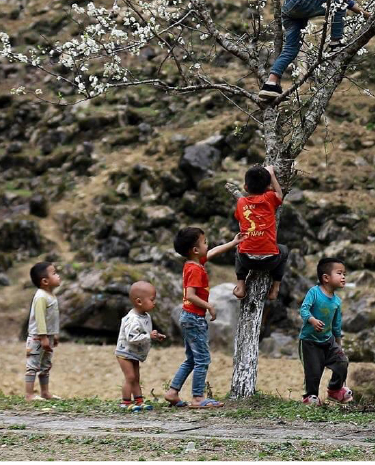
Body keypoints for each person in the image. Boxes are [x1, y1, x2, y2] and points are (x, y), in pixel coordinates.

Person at [258, 0, 364, 102]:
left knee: (291, 49)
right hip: (298, 0)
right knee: (338, 5)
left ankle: (270, 85)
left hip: (290, 9)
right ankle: (336, 43)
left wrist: (366, 13)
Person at [165, 226, 239, 408]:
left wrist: (233, 243)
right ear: (195, 250)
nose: (208, 245)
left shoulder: (193, 263)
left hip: (188, 318)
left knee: (191, 359)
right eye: (204, 242)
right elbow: (190, 295)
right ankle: (198, 397)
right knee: (202, 359)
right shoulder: (196, 270)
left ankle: (173, 392)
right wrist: (209, 306)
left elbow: (213, 252)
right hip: (194, 318)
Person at [298, 257, 353, 405]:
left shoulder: (336, 301)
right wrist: (312, 320)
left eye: (344, 274)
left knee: (342, 361)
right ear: (326, 278)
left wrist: (339, 345)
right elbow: (303, 309)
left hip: (328, 341)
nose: (343, 277)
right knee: (314, 372)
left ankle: (335, 390)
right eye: (339, 273)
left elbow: (336, 325)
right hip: (310, 341)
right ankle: (310, 397)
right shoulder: (314, 292)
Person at [232, 165, 287, 301]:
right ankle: (275, 287)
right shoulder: (269, 198)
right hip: (270, 261)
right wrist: (272, 174)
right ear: (268, 187)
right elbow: (280, 195)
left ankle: (240, 285)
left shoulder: (241, 202)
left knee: (238, 246)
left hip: (247, 261)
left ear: (245, 187)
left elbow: (238, 218)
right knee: (284, 250)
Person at [115, 280, 168, 412]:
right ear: (139, 301)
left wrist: (155, 336)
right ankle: (125, 402)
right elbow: (132, 338)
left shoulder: (146, 316)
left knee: (136, 378)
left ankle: (139, 401)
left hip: (134, 353)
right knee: (130, 377)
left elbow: (144, 333)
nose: (154, 302)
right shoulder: (132, 319)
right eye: (152, 299)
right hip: (125, 353)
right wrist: (149, 336)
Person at [24, 261, 62, 402]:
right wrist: (43, 337)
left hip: (48, 336)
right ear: (45, 281)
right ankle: (29, 394)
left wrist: (54, 335)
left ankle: (45, 392)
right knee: (33, 364)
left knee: (46, 365)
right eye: (54, 273)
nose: (58, 276)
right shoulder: (41, 297)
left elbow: (51, 319)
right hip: (37, 338)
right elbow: (40, 318)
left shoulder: (50, 296)